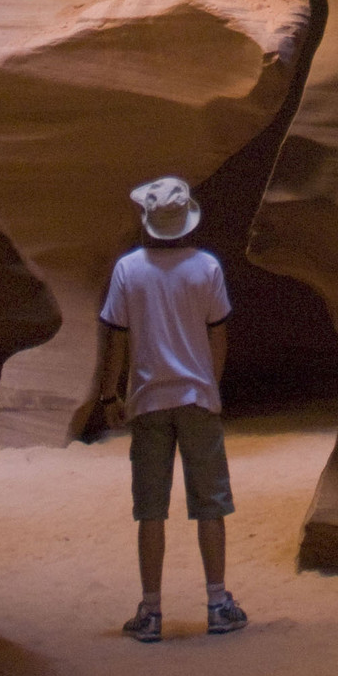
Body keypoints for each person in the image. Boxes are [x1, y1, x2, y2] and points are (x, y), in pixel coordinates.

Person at [85, 174, 248, 643]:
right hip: (197, 399)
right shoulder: (207, 268)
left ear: (148, 222)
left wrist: (108, 395)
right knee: (210, 506)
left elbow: (115, 335)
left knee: (150, 510)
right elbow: (219, 334)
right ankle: (218, 604)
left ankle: (151, 612)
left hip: (149, 401)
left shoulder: (128, 270)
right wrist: (209, 386)